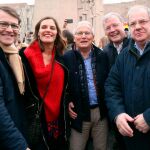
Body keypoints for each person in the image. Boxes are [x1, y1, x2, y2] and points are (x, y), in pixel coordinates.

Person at [19, 16, 69, 150]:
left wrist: (70, 101)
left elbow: (68, 87)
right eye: (44, 27)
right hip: (35, 119)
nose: (48, 30)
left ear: (57, 33)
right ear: (38, 32)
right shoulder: (23, 56)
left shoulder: (63, 58)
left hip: (59, 120)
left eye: (52, 28)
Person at [105, 5, 150, 150]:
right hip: (131, 137)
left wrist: (149, 117)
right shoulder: (124, 55)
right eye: (132, 24)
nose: (137, 27)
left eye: (142, 21)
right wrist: (118, 114)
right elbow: (112, 87)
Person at [64, 20, 109, 150]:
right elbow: (62, 85)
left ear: (93, 37)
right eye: (79, 33)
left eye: (87, 33)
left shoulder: (103, 56)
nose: (83, 36)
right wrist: (67, 102)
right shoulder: (66, 58)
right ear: (75, 37)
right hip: (79, 114)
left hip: (100, 114)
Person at [0, 6, 30, 150]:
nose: (10, 30)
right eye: (3, 24)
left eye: (14, 26)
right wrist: (20, 145)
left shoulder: (13, 56)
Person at [102, 12, 131, 150]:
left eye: (115, 25)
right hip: (117, 112)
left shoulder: (136, 44)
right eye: (108, 28)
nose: (112, 30)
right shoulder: (105, 52)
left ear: (124, 25)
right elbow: (108, 84)